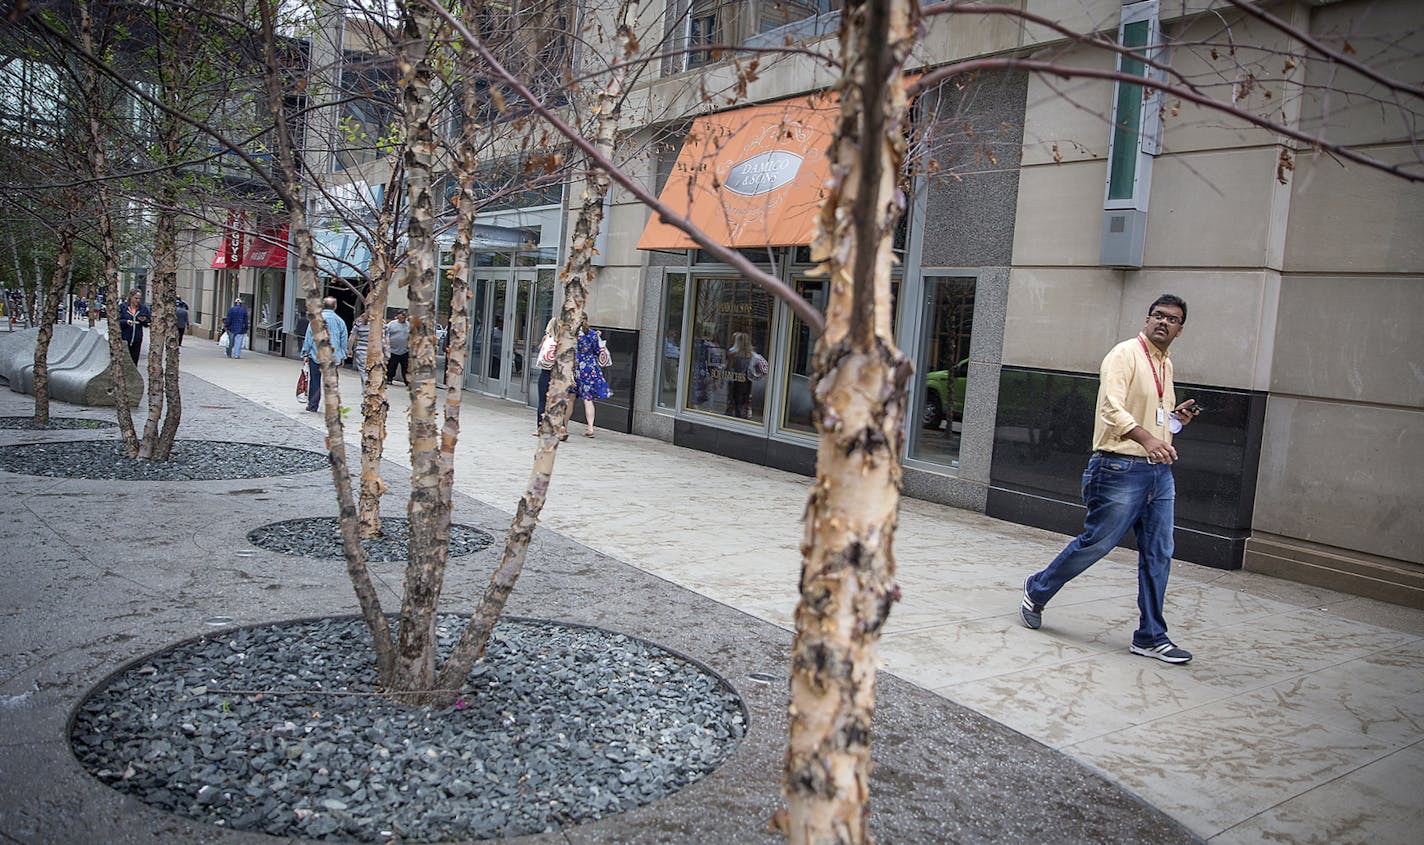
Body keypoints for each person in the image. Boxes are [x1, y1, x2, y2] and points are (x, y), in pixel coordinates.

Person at [1019, 294, 1201, 664]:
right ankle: (1036, 589)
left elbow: (1154, 418)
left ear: (1181, 329)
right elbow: (1110, 409)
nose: (1163, 322)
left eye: (1172, 319)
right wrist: (1148, 439)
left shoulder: (1165, 365)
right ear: (1147, 319)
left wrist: (1174, 422)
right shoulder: (1124, 355)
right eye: (1158, 316)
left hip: (1159, 474)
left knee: (1159, 552)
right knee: (1097, 543)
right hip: (1119, 469)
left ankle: (1151, 635)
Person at [302, 296, 350, 413]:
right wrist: (343, 355)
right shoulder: (340, 321)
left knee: (315, 381)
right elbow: (343, 340)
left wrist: (305, 352)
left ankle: (313, 405)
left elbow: (309, 337)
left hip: (316, 355)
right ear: (335, 306)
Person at [572, 315, 611, 437]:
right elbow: (598, 351)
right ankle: (590, 427)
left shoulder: (573, 334)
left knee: (570, 397)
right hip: (590, 367)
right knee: (588, 399)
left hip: (576, 366)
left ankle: (564, 426)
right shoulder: (593, 334)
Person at [533, 317, 569, 440]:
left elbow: (541, 352)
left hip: (546, 373)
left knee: (543, 401)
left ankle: (540, 427)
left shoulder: (547, 339)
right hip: (559, 376)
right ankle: (561, 428)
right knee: (558, 402)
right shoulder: (565, 342)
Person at [117, 289, 151, 365]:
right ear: (131, 297)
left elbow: (148, 322)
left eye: (139, 298)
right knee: (123, 361)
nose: (138, 300)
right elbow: (116, 321)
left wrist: (144, 320)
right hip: (124, 338)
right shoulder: (123, 307)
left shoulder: (143, 309)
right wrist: (125, 322)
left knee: (134, 361)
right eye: (136, 298)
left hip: (137, 339)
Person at [385, 310, 410, 385]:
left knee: (406, 367)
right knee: (391, 366)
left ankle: (407, 381)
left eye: (405, 315)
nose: (403, 316)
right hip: (393, 350)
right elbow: (386, 334)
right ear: (398, 315)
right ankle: (389, 378)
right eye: (402, 315)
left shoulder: (408, 325)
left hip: (405, 350)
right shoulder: (391, 324)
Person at [351, 312, 371, 386]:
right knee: (373, 372)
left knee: (364, 372)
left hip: (362, 350)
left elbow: (352, 337)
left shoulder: (359, 323)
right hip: (375, 351)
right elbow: (385, 339)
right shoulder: (381, 323)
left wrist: (349, 349)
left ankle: (366, 389)